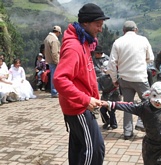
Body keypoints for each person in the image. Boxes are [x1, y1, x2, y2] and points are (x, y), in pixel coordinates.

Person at [53, 3, 110, 165]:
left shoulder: (83, 41)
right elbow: (60, 79)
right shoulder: (74, 46)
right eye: (98, 25)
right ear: (86, 23)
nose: (100, 29)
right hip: (79, 107)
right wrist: (86, 100)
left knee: (79, 150)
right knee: (95, 150)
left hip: (80, 105)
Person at [102, 81, 161, 165]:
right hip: (150, 146)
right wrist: (110, 104)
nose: (158, 101)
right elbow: (129, 106)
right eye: (154, 96)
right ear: (149, 95)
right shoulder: (144, 108)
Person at [107, 20, 154, 140]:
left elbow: (112, 63)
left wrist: (114, 79)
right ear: (136, 29)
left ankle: (127, 132)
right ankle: (141, 122)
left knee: (127, 105)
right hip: (140, 77)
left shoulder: (118, 42)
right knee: (148, 102)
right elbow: (150, 58)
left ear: (123, 31)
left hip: (124, 79)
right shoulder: (143, 40)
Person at [44, 25, 62, 97]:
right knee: (54, 76)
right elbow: (55, 52)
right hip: (54, 61)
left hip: (49, 60)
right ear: (57, 32)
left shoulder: (47, 38)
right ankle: (54, 91)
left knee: (53, 75)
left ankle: (53, 90)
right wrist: (57, 62)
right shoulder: (54, 40)